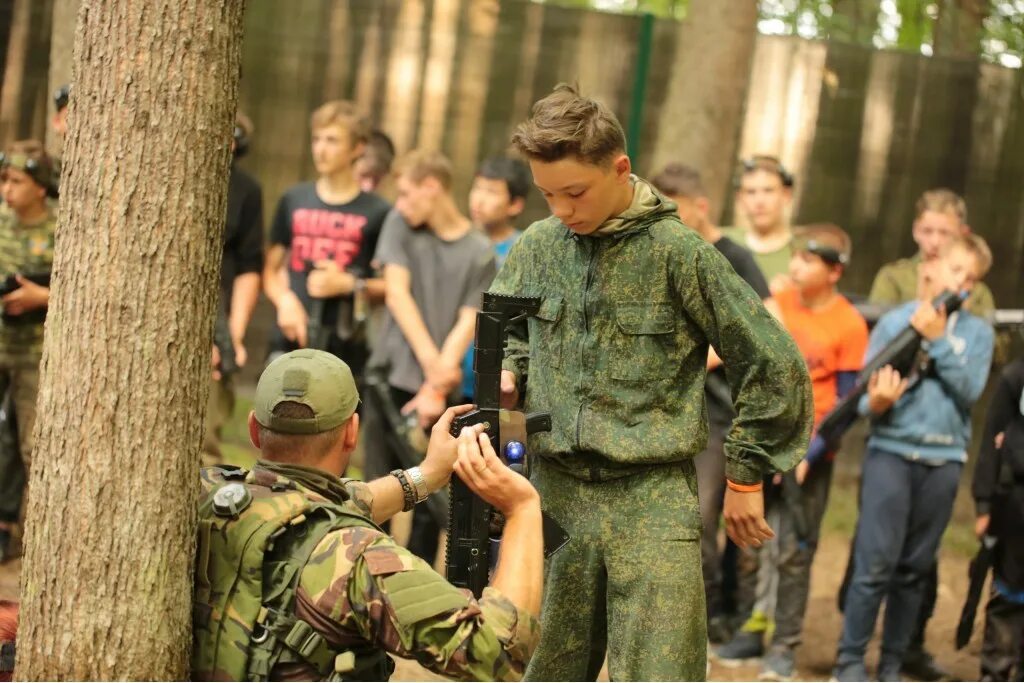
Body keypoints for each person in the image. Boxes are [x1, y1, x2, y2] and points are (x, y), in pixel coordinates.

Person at [490, 83, 813, 681]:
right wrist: (511, 376)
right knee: (539, 667)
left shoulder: (679, 254)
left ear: (621, 169)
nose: (562, 209)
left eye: (576, 192)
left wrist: (745, 473)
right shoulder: (537, 246)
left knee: (661, 672)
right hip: (554, 492)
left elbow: (771, 361)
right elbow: (507, 333)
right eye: (547, 195)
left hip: (651, 497)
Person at [192, 349, 542, 681]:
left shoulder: (204, 494)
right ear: (351, 433)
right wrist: (522, 509)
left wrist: (427, 475)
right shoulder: (361, 558)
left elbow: (322, 504)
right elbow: (497, 656)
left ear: (254, 429)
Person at [834, 235, 995, 682]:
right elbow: (863, 400)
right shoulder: (894, 324)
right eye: (956, 271)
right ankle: (849, 662)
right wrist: (879, 405)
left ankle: (891, 664)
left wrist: (938, 342)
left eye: (971, 279)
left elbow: (969, 391)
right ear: (934, 266)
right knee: (875, 564)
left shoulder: (978, 334)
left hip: (943, 462)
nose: (961, 284)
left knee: (913, 570)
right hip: (891, 455)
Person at [716, 225, 868, 679]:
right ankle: (750, 630)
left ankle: (784, 645)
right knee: (749, 543)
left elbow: (845, 404)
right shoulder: (777, 308)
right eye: (795, 257)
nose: (795, 266)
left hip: (810, 459)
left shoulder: (849, 324)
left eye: (807, 260)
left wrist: (809, 453)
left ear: (834, 271)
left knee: (793, 552)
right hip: (764, 447)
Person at [650, 162, 772, 642]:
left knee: (698, 517)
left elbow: (767, 327)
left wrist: (697, 363)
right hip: (664, 413)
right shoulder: (666, 251)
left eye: (677, 212)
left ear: (701, 206)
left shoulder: (734, 257)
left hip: (716, 417)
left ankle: (712, 617)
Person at [362, 150, 495, 565]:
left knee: (428, 499)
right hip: (390, 380)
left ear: (432, 187)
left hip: (439, 395)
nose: (398, 204)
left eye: (405, 193)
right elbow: (397, 294)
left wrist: (436, 385)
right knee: (376, 489)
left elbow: (468, 320)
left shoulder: (481, 252)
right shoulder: (399, 226)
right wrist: (432, 367)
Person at [263, 100, 390, 376]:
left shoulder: (379, 212)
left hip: (344, 344)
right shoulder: (293, 199)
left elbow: (393, 287)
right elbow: (270, 270)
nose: (321, 149)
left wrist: (350, 284)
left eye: (332, 140)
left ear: (357, 148)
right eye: (316, 139)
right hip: (290, 334)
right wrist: (284, 301)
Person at [0, 142, 58, 561]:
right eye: (4, 180)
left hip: (36, 354)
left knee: (32, 445)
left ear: (40, 187)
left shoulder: (60, 228)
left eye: (17, 181)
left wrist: (41, 296)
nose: (7, 189)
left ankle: (32, 534)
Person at [203, 112, 265, 464]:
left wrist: (233, 338)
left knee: (206, 445)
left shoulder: (245, 190)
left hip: (219, 328)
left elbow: (249, 265)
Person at [460, 156, 531, 402]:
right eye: (477, 187)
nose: (479, 199)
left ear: (515, 205)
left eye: (491, 192)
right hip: (449, 376)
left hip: (496, 381)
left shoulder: (523, 251)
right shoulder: (458, 243)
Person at [973, 354, 1024, 681]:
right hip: (1016, 508)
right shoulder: (1015, 377)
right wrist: (983, 504)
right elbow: (990, 444)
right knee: (1008, 594)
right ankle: (996, 671)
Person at [869, 188, 995, 316]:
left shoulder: (978, 293)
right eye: (927, 231)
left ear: (963, 234)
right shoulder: (893, 278)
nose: (935, 242)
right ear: (915, 230)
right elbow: (877, 329)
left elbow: (990, 334)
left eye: (945, 233)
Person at [720, 155, 796, 293]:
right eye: (751, 192)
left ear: (786, 195)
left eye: (768, 191)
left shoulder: (803, 254)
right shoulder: (721, 243)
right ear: (740, 198)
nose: (759, 201)